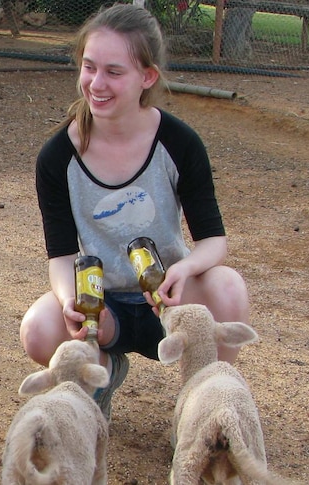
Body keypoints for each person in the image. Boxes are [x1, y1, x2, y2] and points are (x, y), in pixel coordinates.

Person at [19, 3, 250, 421]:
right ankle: (100, 376)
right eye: (89, 67)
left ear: (147, 77)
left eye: (113, 71)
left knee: (228, 288)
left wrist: (183, 270)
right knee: (38, 330)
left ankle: (203, 403)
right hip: (104, 304)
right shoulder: (58, 157)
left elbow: (214, 241)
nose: (96, 83)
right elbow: (61, 255)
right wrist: (72, 301)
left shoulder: (178, 143)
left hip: (171, 299)